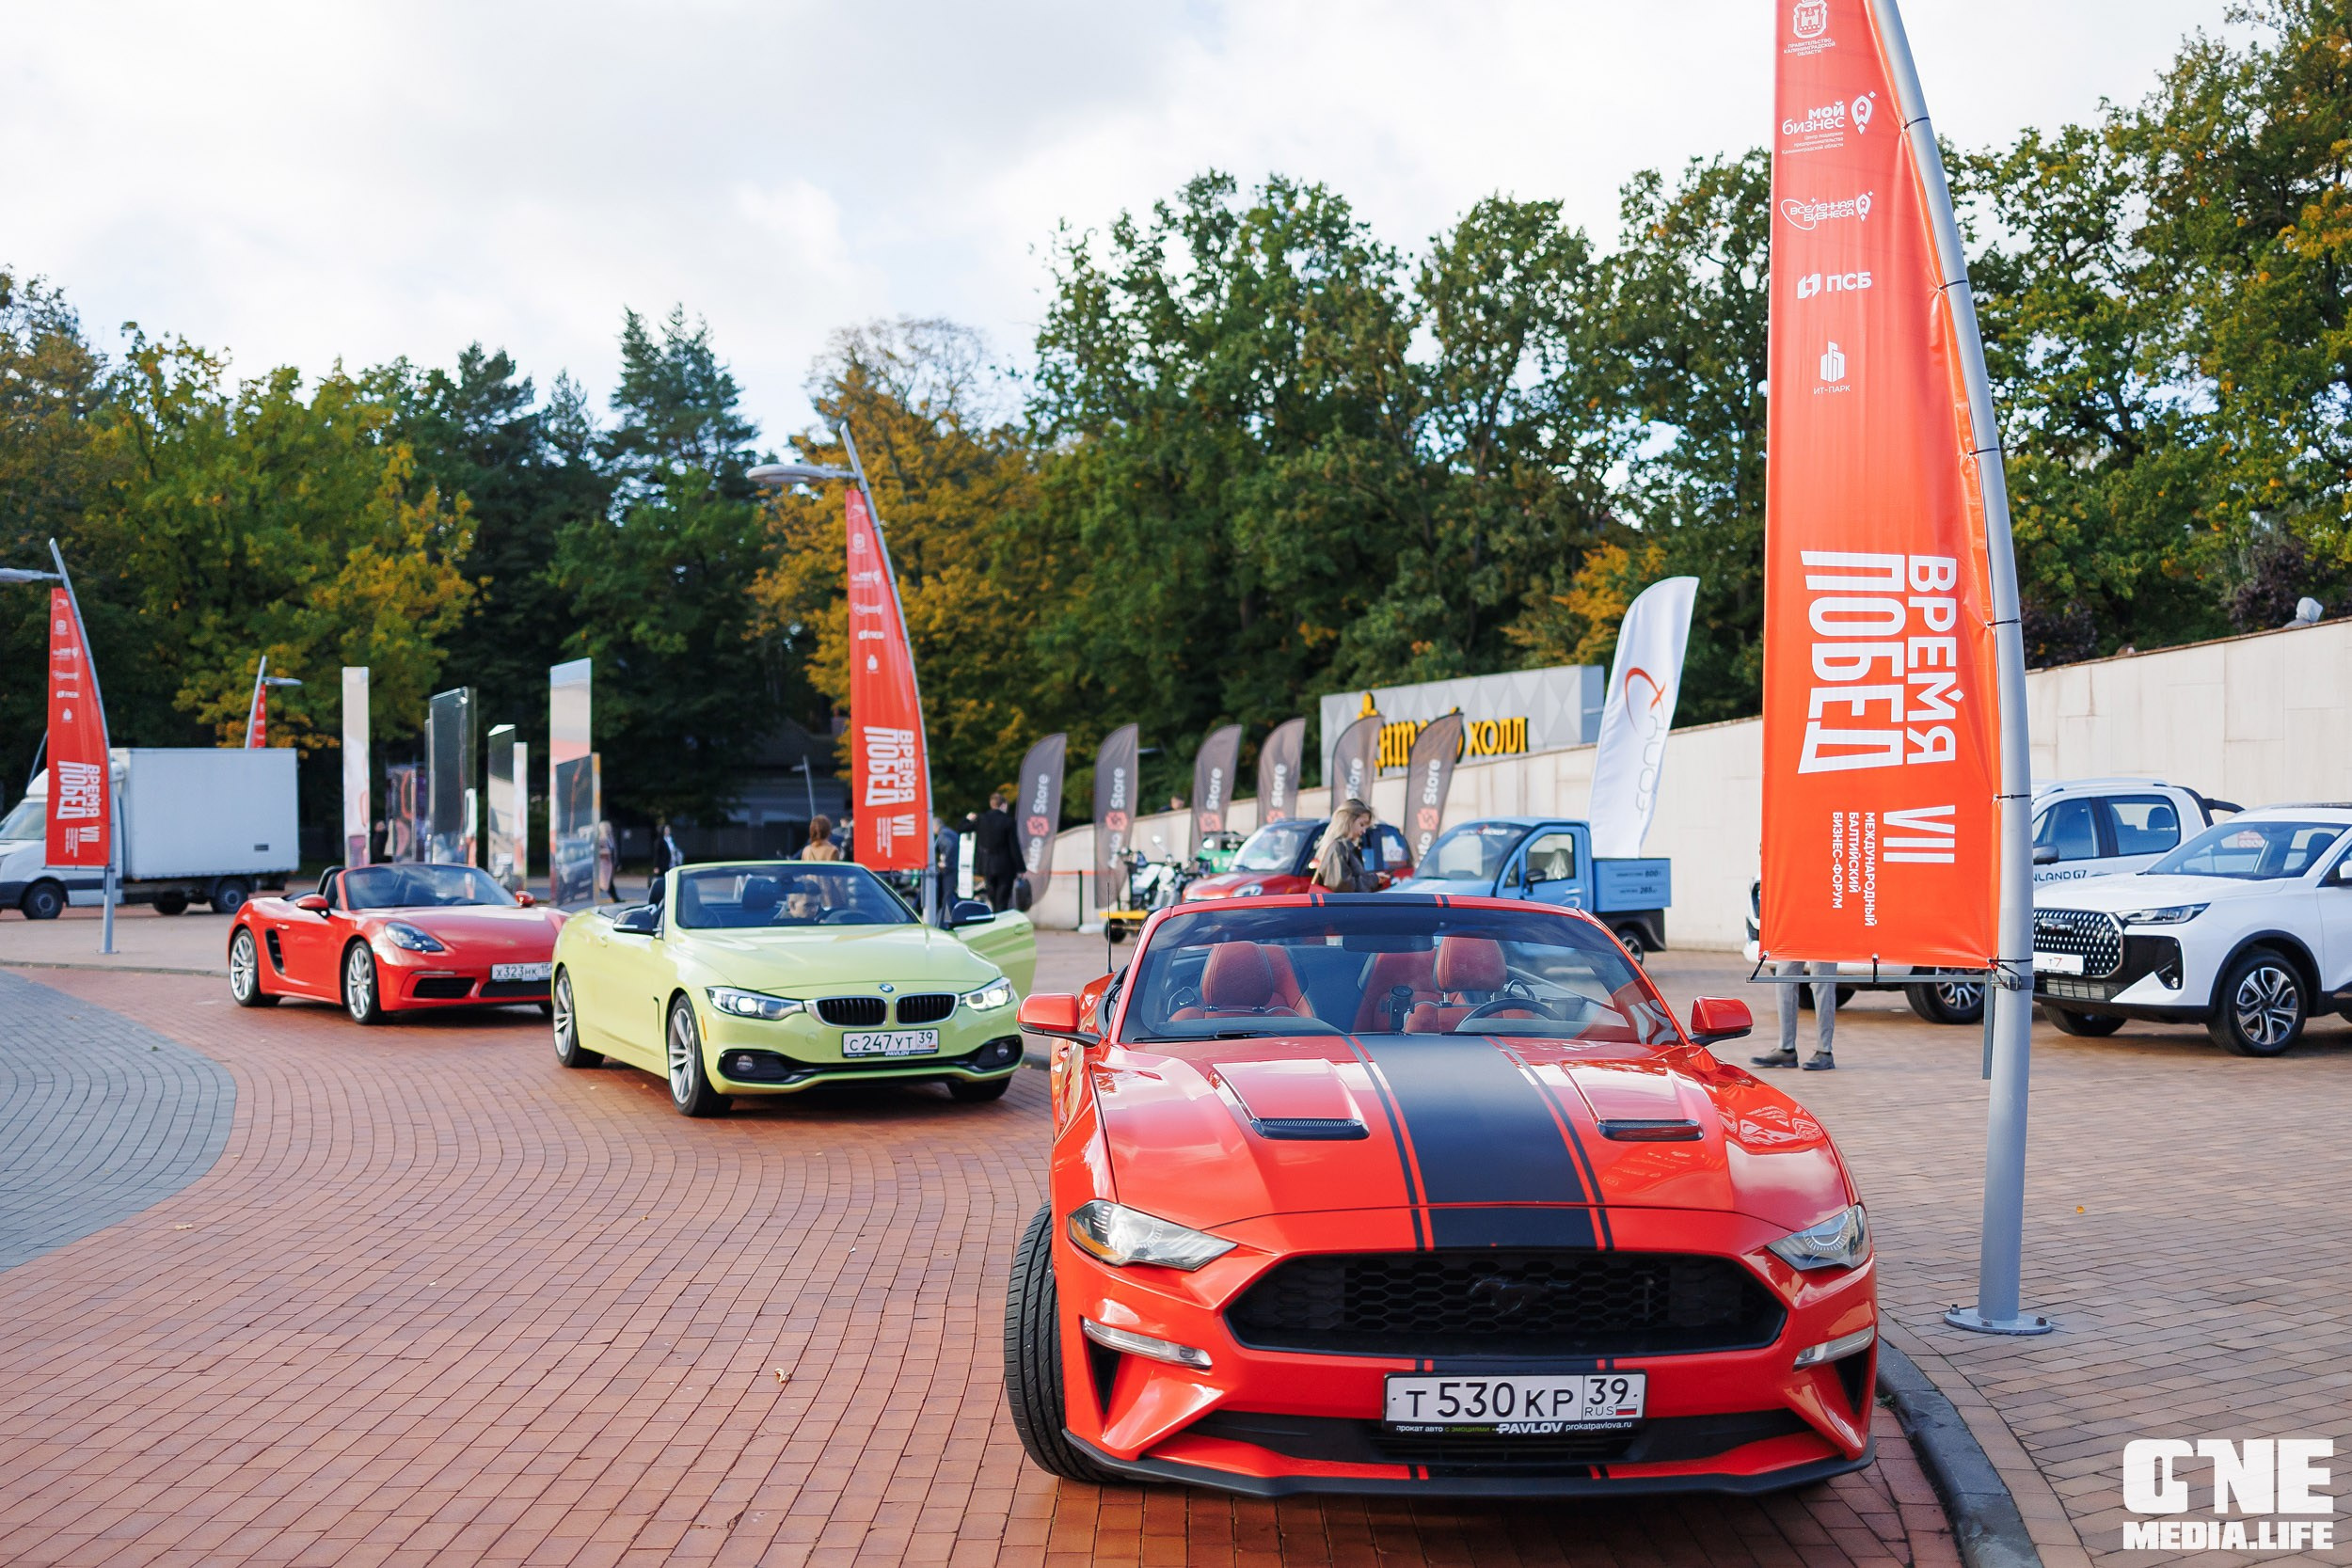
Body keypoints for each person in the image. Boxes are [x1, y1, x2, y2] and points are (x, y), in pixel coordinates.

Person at [1754, 960, 1836, 1070]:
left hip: (1823, 942)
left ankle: (1824, 1052)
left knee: (1822, 981)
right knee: (1784, 976)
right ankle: (1786, 1049)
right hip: (1794, 942)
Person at [1311, 799, 1380, 892]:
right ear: (1348, 821)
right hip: (1341, 906)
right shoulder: (1338, 848)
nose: (1364, 831)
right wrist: (1374, 879)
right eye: (1362, 824)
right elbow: (1344, 888)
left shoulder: (1344, 847)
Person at [974, 790, 1020, 912]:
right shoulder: (1008, 821)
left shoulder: (982, 819)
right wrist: (1021, 868)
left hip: (987, 864)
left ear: (991, 804)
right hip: (1004, 865)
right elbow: (1014, 846)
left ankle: (995, 913)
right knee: (1003, 898)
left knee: (992, 895)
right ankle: (1001, 917)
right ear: (1003, 805)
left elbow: (962, 827)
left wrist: (968, 819)